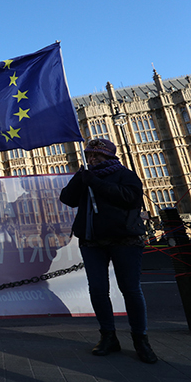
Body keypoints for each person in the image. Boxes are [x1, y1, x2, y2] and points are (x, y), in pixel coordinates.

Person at [60, 138, 157, 364]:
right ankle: (108, 336)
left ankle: (140, 339)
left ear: (109, 156)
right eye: (89, 155)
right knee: (98, 290)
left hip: (124, 239)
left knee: (130, 290)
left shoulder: (125, 175)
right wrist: (80, 179)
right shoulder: (85, 176)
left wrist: (95, 182)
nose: (92, 159)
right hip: (92, 241)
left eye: (97, 155)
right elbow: (67, 199)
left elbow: (130, 199)